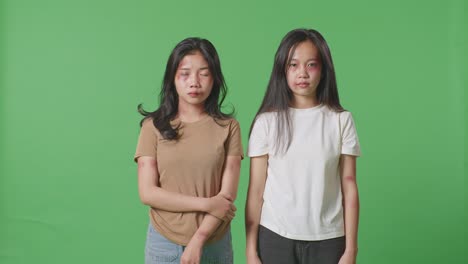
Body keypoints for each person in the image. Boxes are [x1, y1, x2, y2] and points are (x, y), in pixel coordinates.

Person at [245, 29, 361, 264]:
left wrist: (351, 250)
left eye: (311, 65)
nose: (302, 73)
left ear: (324, 69)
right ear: (282, 69)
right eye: (293, 65)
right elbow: (256, 191)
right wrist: (251, 251)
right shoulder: (266, 122)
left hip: (329, 239)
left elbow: (349, 186)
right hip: (275, 237)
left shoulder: (340, 120)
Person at [134, 37, 243, 264]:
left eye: (203, 73)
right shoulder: (152, 127)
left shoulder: (229, 127)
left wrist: (198, 240)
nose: (194, 82)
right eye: (185, 73)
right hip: (163, 242)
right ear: (172, 78)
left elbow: (227, 196)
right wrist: (206, 203)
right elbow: (147, 192)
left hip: (215, 242)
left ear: (214, 79)